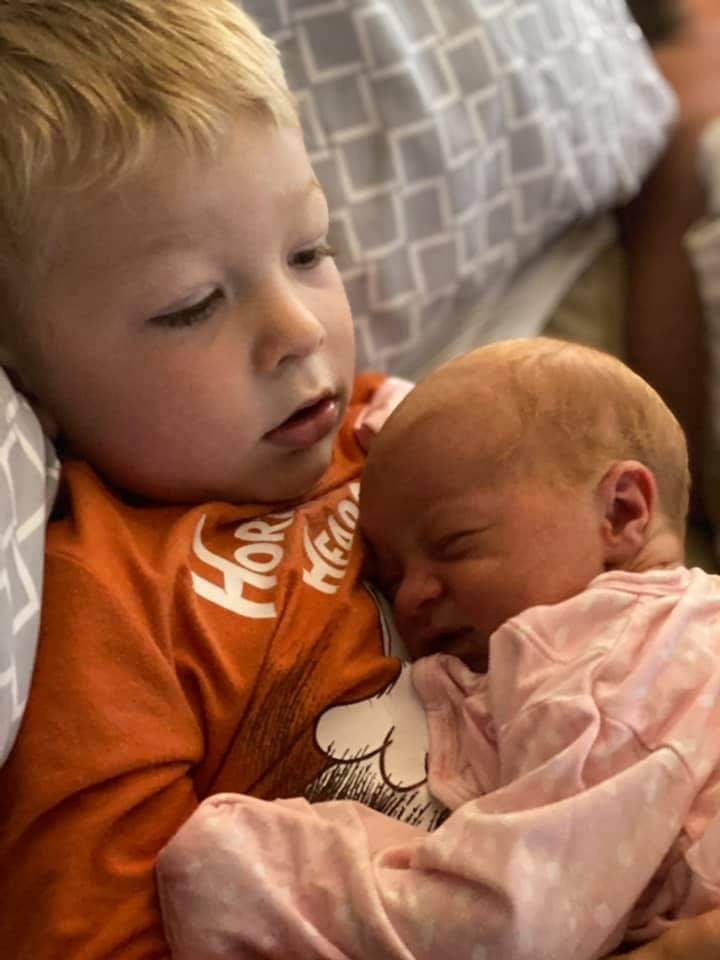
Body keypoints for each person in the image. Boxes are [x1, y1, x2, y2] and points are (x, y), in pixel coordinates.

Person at [0, 1, 717, 958]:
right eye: (191, 305)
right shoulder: (105, 604)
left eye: (310, 252)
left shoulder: (421, 429)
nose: (299, 328)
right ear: (31, 379)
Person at [159, 338, 720, 960]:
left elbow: (511, 925)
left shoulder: (610, 660)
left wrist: (237, 863)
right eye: (391, 574)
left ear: (620, 512)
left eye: (455, 543)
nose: (409, 597)